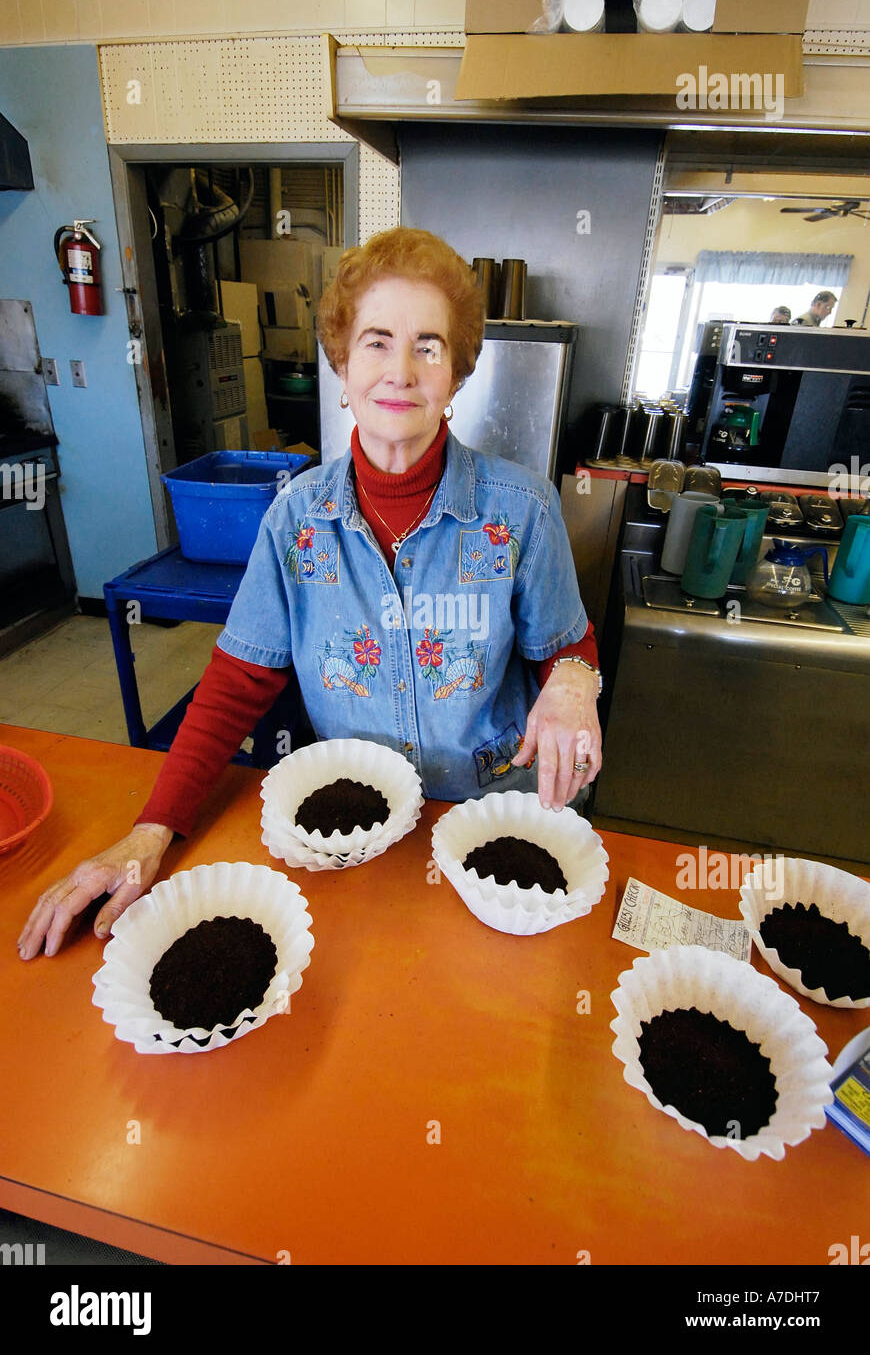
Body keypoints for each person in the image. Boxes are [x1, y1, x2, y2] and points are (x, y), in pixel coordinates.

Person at [18, 227, 603, 961]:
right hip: (355, 835)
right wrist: (150, 831)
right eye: (376, 341)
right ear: (342, 362)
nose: (401, 370)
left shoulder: (523, 510)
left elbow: (565, 649)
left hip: (497, 830)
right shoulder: (295, 518)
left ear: (456, 375)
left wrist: (577, 681)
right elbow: (237, 682)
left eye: (428, 346)